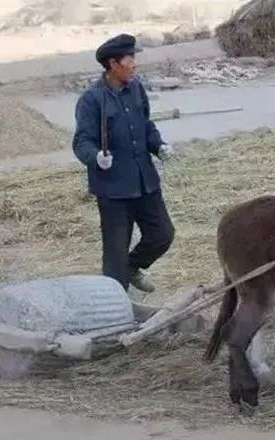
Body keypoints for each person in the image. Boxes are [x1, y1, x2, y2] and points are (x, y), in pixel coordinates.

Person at [72, 33, 175, 294]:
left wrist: (158, 145)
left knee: (162, 234)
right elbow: (81, 141)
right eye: (130, 59)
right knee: (115, 252)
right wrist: (95, 157)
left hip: (145, 181)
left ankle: (133, 266)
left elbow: (146, 125)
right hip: (113, 190)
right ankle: (116, 308)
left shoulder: (136, 89)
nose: (135, 64)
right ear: (113, 64)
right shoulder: (91, 100)